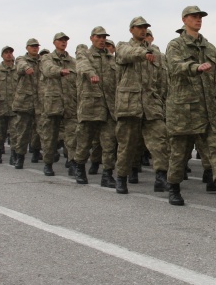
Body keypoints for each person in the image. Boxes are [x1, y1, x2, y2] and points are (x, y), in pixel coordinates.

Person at [165, 6, 216, 206]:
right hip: (184, 110)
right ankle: (173, 187)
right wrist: (194, 67)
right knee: (179, 153)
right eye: (194, 17)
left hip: (208, 109)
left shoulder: (209, 47)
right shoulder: (176, 45)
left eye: (200, 17)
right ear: (184, 19)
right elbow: (174, 67)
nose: (198, 19)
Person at [114, 17, 169, 193]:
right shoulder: (123, 46)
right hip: (130, 105)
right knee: (127, 144)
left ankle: (161, 176)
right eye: (139, 27)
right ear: (131, 29)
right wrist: (143, 54)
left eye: (145, 27)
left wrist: (160, 98)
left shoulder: (155, 52)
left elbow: (162, 78)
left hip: (151, 105)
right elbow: (126, 54)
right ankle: (121, 177)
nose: (143, 30)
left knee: (160, 141)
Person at [74, 26, 117, 186]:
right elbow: (82, 66)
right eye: (98, 37)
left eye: (104, 37)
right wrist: (91, 74)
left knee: (109, 143)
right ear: (92, 38)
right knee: (84, 141)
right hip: (90, 106)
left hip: (108, 108)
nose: (101, 40)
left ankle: (107, 175)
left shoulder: (111, 58)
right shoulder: (84, 54)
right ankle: (80, 168)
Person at [40, 32, 77, 176]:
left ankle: (73, 163)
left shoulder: (72, 61)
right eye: (60, 40)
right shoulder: (47, 58)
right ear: (54, 42)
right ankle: (48, 163)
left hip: (70, 103)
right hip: (53, 104)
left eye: (65, 40)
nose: (63, 42)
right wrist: (60, 71)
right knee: (50, 136)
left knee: (72, 136)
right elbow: (48, 69)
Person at [13, 38, 43, 168]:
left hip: (40, 102)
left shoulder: (43, 61)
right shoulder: (21, 59)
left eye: (36, 46)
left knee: (40, 130)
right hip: (24, 102)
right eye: (32, 46)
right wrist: (26, 68)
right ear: (27, 48)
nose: (35, 48)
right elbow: (20, 65)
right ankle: (19, 156)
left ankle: (36, 151)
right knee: (23, 131)